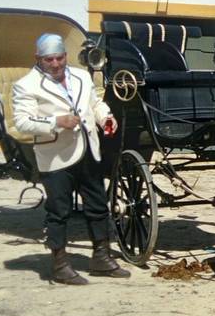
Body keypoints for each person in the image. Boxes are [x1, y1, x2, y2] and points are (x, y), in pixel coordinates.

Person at [12, 33, 129, 285]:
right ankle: (60, 264)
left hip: (87, 149)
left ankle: (101, 256)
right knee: (59, 211)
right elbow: (22, 122)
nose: (55, 64)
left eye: (60, 58)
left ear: (66, 55)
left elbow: (95, 103)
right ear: (38, 59)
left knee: (98, 204)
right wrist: (56, 122)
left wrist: (105, 119)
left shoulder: (82, 76)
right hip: (56, 156)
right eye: (49, 59)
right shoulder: (26, 85)